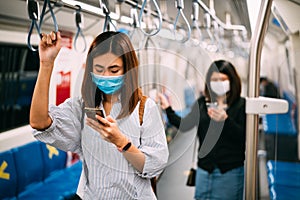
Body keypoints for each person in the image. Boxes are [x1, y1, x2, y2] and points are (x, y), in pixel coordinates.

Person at [30, 31, 169, 199]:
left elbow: (153, 166)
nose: (106, 76)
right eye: (99, 69)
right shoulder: (82, 108)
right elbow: (39, 123)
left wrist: (122, 142)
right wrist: (46, 64)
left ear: (128, 70)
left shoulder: (145, 108)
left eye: (114, 69)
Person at [158, 60, 246, 200]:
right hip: (204, 171)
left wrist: (226, 121)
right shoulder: (202, 104)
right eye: (214, 80)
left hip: (229, 173)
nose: (218, 83)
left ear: (232, 80)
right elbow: (185, 125)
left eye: (222, 79)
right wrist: (168, 109)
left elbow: (243, 138)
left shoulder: (241, 106)